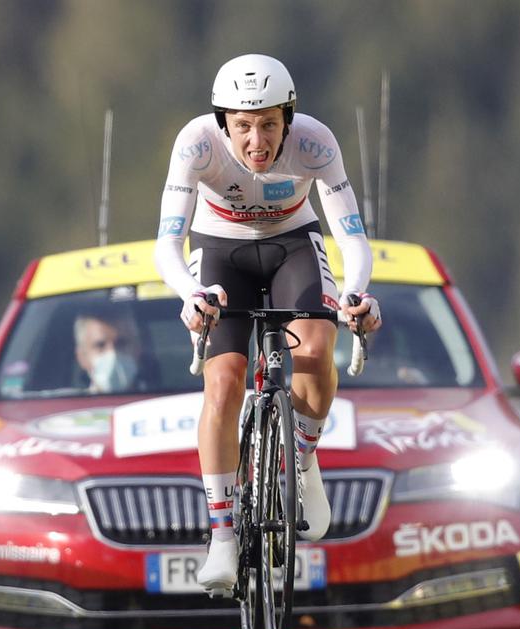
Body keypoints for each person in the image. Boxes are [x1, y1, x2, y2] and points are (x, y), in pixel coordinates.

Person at [153, 54, 382, 592]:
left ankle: (302, 461)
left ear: (289, 119)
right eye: (243, 127)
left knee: (316, 345)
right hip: (218, 251)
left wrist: (354, 295)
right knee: (225, 381)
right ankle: (224, 538)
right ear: (222, 124)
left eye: (270, 125)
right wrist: (190, 295)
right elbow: (167, 241)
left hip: (292, 244)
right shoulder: (196, 144)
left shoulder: (316, 143)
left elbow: (350, 234)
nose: (257, 141)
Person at [74, 307, 143, 394]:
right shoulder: (68, 406)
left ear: (138, 350)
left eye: (121, 343)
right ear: (82, 357)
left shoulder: (159, 403)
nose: (113, 353)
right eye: (100, 345)